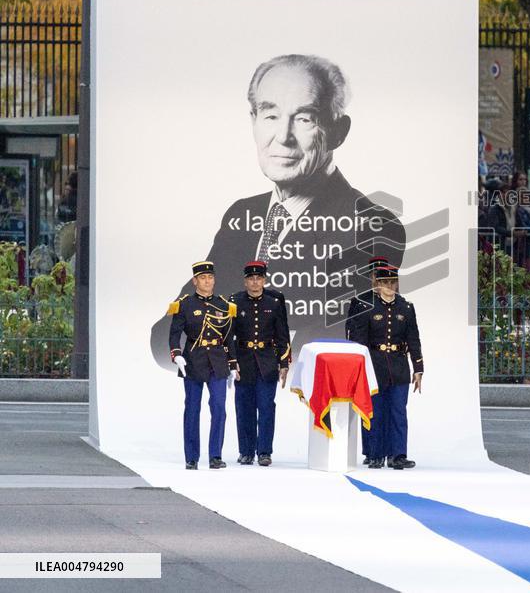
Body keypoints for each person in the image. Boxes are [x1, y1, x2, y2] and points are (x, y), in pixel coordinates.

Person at [151, 54, 406, 369]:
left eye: (305, 118)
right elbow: (167, 335)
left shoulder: (373, 225)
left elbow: (330, 341)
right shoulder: (241, 215)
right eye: (270, 115)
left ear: (339, 131)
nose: (282, 137)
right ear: (253, 121)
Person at [167, 261, 239, 470]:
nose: (207, 281)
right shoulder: (185, 304)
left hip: (218, 361)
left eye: (210, 277)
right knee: (192, 409)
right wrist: (177, 355)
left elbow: (229, 338)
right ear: (195, 281)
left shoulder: (224, 305)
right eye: (203, 278)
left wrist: (233, 365)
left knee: (219, 408)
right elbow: (174, 334)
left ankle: (215, 455)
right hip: (193, 361)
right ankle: (192, 457)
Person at [354, 264, 423, 470]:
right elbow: (360, 341)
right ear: (377, 284)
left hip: (400, 367)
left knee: (398, 412)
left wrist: (418, 368)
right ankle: (376, 454)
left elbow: (414, 339)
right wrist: (361, 369)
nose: (389, 286)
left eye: (393, 282)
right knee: (376, 411)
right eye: (385, 282)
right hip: (374, 366)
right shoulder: (367, 307)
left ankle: (398, 455)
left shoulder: (406, 307)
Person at [229, 261, 291, 467]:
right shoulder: (235, 302)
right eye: (251, 278)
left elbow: (283, 335)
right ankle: (246, 451)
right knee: (244, 407)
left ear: (264, 280)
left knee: (266, 408)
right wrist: (232, 362)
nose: (255, 282)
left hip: (266, 362)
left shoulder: (274, 303)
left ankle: (264, 451)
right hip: (243, 361)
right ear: (245, 281)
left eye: (259, 278)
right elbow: (228, 336)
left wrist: (284, 363)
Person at [346, 255, 390, 466]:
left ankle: (391, 452)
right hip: (369, 360)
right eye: (376, 274)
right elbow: (352, 332)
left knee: (391, 410)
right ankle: (371, 451)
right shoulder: (360, 301)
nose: (379, 278)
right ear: (371, 276)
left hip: (391, 363)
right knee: (370, 407)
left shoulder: (397, 302)